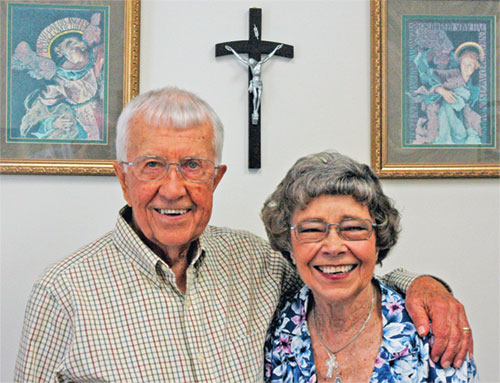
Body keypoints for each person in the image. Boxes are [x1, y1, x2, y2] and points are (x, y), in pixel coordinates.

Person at [15, 87, 472, 382]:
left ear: (215, 178)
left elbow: (335, 273)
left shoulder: (254, 260)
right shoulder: (63, 291)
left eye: (193, 165)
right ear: (122, 177)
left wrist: (423, 285)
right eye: (152, 165)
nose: (173, 189)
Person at [261, 151, 477, 382]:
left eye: (353, 228)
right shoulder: (273, 327)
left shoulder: (432, 333)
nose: (333, 247)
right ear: (289, 245)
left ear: (378, 240)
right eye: (311, 230)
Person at [12, 14, 104, 141]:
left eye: (85, 52)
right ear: (67, 55)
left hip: (102, 116)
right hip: (80, 125)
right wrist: (53, 123)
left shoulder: (95, 64)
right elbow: (35, 117)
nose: (85, 57)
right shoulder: (58, 81)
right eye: (75, 54)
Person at [409, 39, 484, 145]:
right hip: (445, 124)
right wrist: (440, 90)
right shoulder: (452, 74)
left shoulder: (474, 87)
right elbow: (429, 77)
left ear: (476, 67)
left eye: (470, 65)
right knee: (447, 107)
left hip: (463, 124)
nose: (466, 67)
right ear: (460, 63)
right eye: (464, 63)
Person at [225, 43, 282, 124]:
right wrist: (232, 50)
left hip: (259, 83)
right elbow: (241, 59)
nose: (250, 63)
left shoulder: (259, 64)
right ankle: (255, 111)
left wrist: (276, 49)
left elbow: (268, 57)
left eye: (251, 62)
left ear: (253, 62)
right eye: (250, 63)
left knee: (259, 97)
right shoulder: (251, 67)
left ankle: (256, 111)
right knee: (255, 96)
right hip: (254, 82)